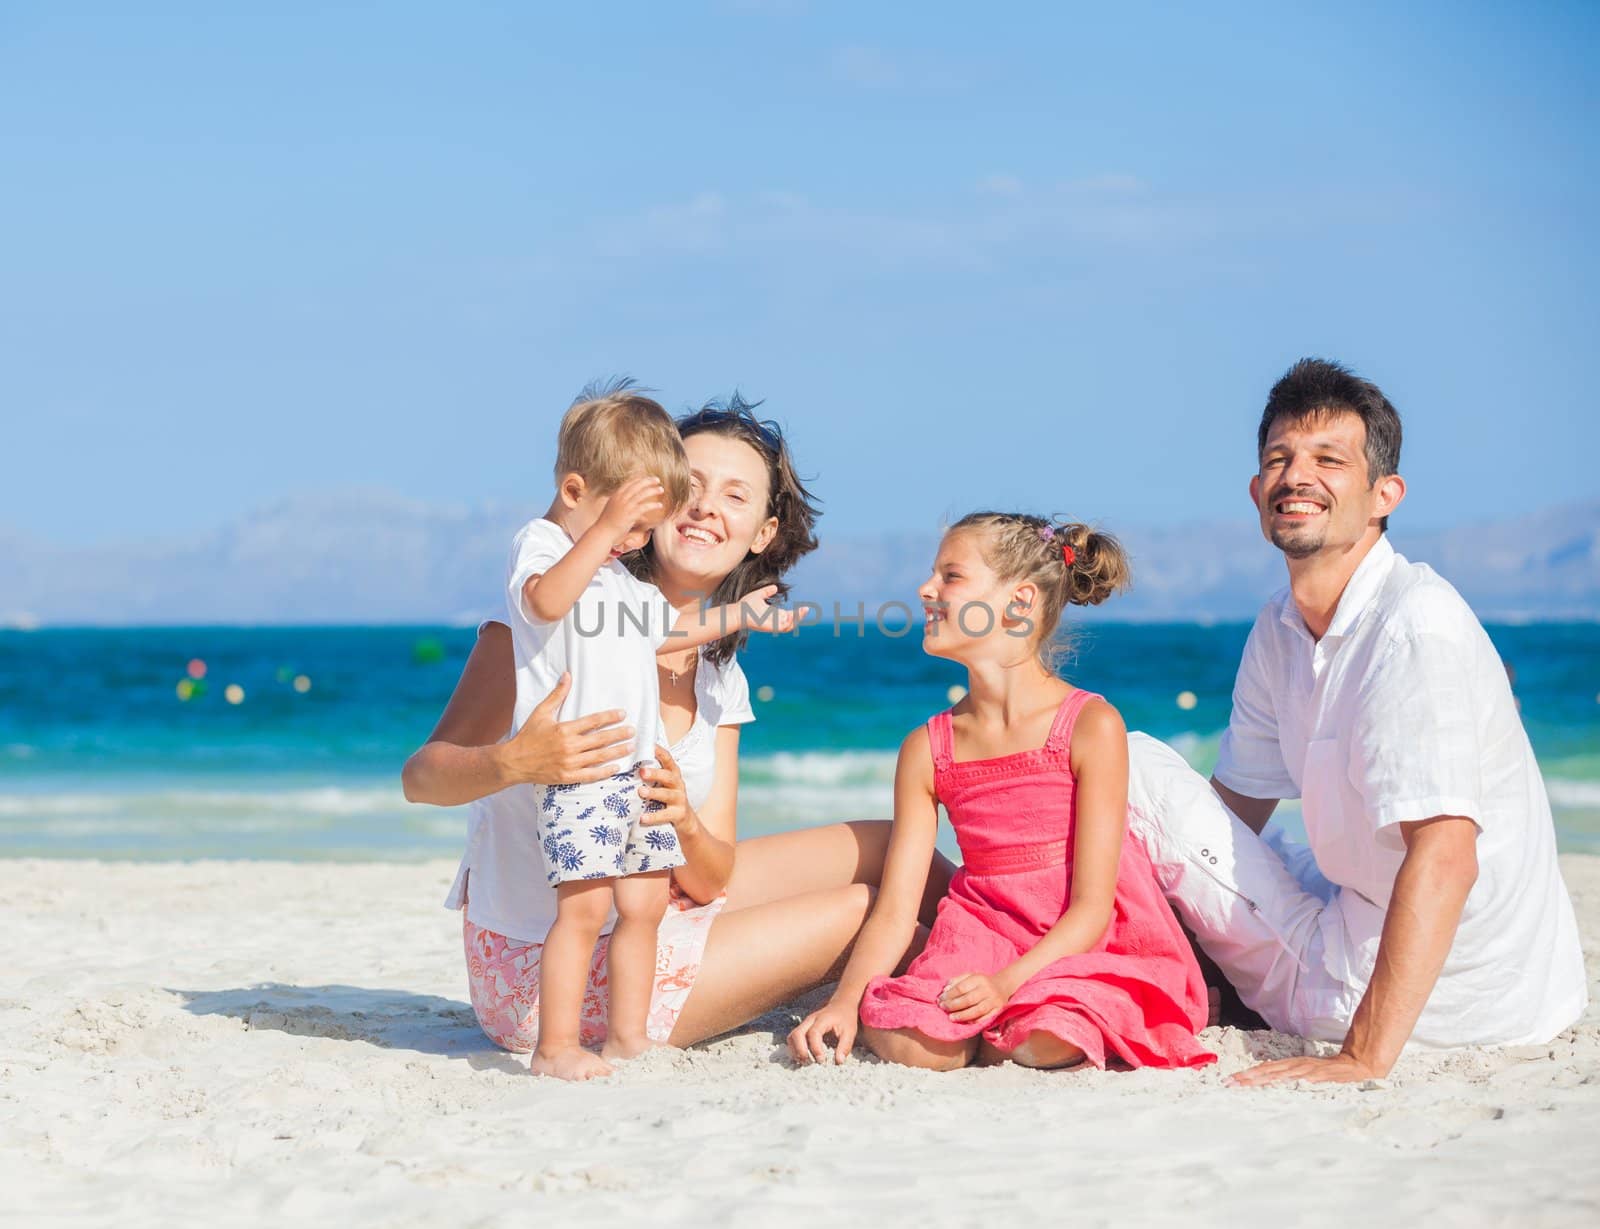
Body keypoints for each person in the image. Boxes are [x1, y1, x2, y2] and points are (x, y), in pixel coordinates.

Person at [402, 396, 952, 1064]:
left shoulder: (720, 671)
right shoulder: (548, 620)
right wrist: (516, 762)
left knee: (894, 847)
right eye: (687, 485)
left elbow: (712, 872)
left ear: (761, 532)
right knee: (863, 909)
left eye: (734, 494)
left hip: (650, 910)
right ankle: (986, 991)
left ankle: (1033, 933)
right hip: (541, 963)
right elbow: (422, 778)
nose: (703, 505)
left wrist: (684, 819)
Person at [1123, 358, 1587, 1086]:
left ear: (1383, 495)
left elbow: (1446, 854)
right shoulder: (1281, 625)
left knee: (1129, 765)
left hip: (1445, 998)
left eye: (1328, 460)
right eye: (1280, 458)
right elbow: (1232, 813)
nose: (1296, 476)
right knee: (1232, 834)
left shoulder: (1411, 628)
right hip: (1403, 932)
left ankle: (1113, 962)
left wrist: (1362, 1058)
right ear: (1256, 492)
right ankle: (1148, 958)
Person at [789, 514, 1214, 1071]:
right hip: (979, 931)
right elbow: (896, 912)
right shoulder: (926, 747)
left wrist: (1007, 983)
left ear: (1019, 602)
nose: (926, 589)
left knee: (1047, 1036)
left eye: (951, 576)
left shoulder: (1091, 724)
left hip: (1076, 941)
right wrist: (845, 1003)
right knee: (919, 1046)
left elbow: (1091, 908)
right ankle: (982, 1023)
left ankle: (1018, 1017)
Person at [507, 386, 795, 1079]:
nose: (637, 540)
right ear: (579, 490)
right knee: (582, 912)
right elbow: (544, 600)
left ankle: (627, 1035)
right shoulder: (547, 547)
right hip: (586, 771)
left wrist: (742, 616)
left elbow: (673, 631)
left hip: (633, 778)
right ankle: (553, 1045)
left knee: (641, 907)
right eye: (637, 523)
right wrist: (607, 533)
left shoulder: (622, 586)